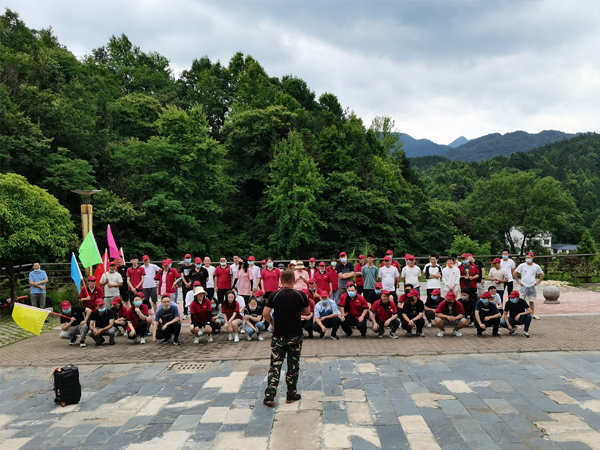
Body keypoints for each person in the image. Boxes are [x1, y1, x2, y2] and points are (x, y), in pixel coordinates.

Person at [262, 269, 310, 406]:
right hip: (295, 336)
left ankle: (270, 396)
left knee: (275, 366)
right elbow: (307, 311)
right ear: (294, 280)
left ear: (281, 280)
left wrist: (272, 323)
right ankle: (291, 395)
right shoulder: (300, 295)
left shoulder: (274, 295)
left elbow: (265, 313)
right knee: (293, 366)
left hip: (278, 336)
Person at [514, 252, 544, 320]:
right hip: (524, 285)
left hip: (532, 285)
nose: (527, 259)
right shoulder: (522, 265)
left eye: (529, 257)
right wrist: (518, 281)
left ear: (532, 258)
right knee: (522, 301)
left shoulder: (536, 266)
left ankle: (532, 314)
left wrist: (538, 282)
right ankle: (522, 314)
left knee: (531, 301)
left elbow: (542, 274)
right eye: (526, 257)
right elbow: (515, 272)